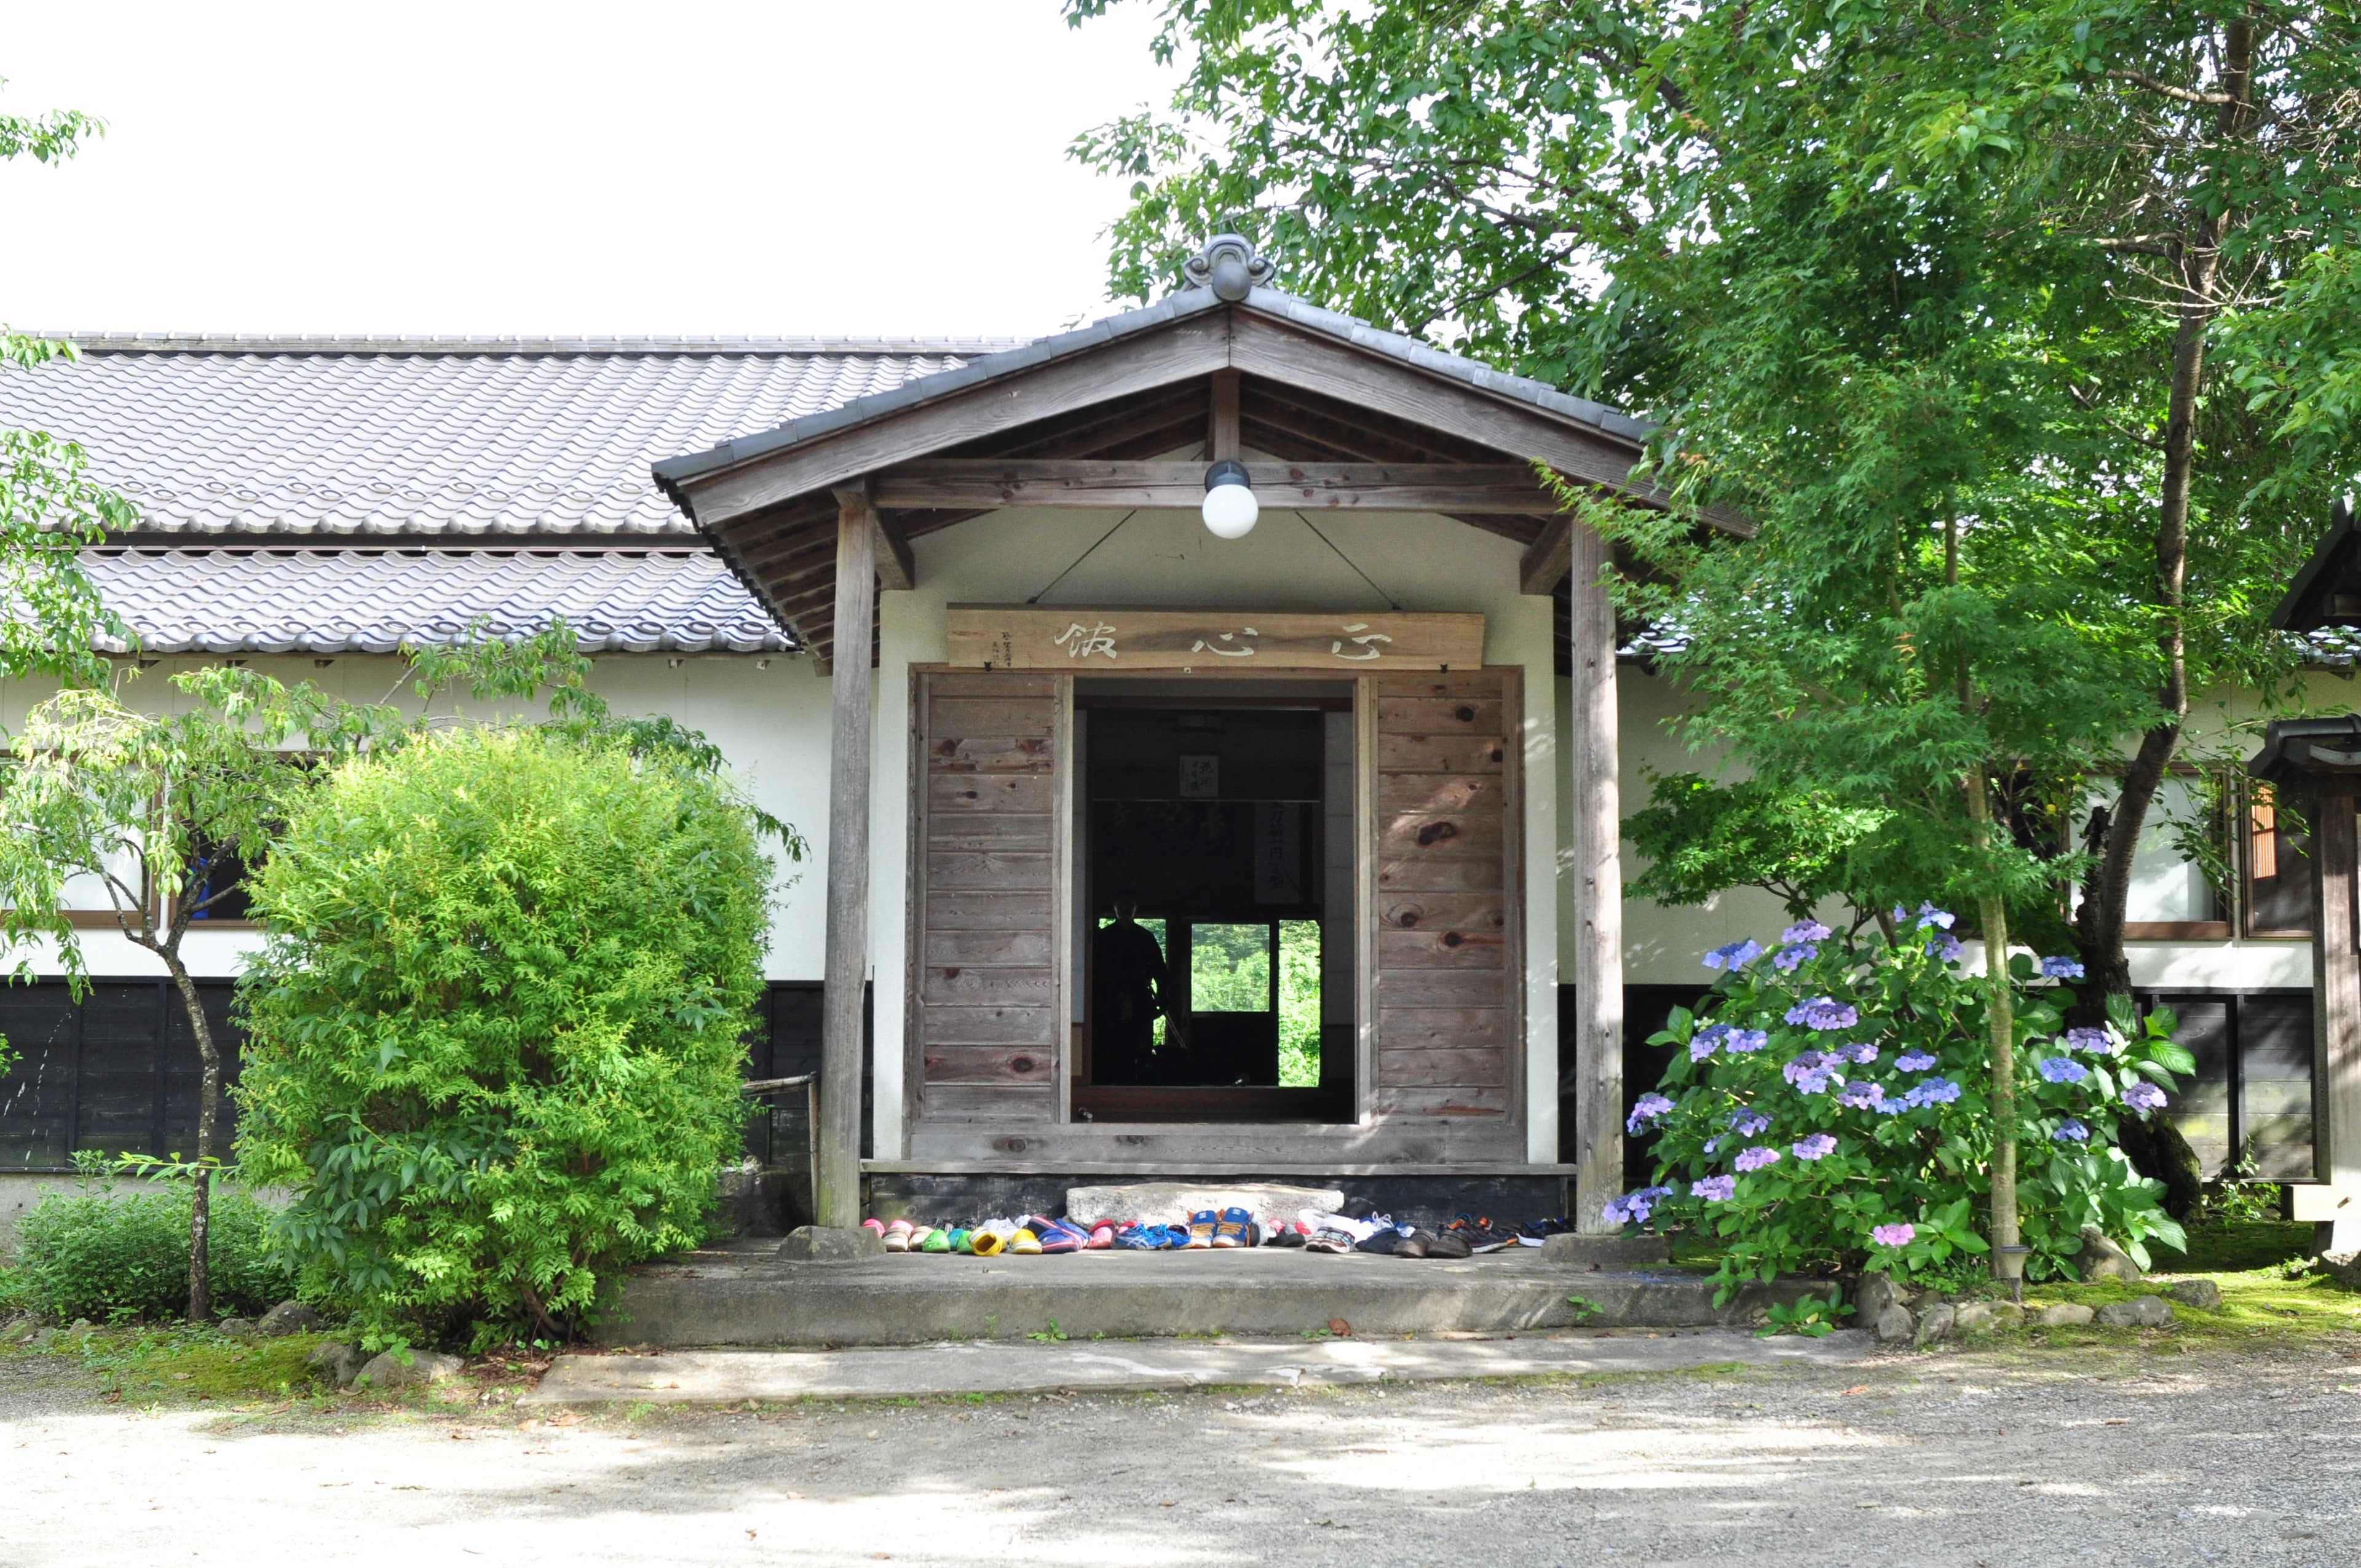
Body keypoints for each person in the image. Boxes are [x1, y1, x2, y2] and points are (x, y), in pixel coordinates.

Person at [1093, 895, 1175, 1084]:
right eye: (1121, 905)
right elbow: (1094, 972)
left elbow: (1161, 972)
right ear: (1115, 908)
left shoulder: (1145, 937)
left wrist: (1162, 1000)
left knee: (1141, 1049)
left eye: (1129, 906)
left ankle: (1139, 1086)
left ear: (1135, 909)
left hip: (1140, 1000)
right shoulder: (1104, 938)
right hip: (1109, 1001)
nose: (1125, 910)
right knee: (1110, 1049)